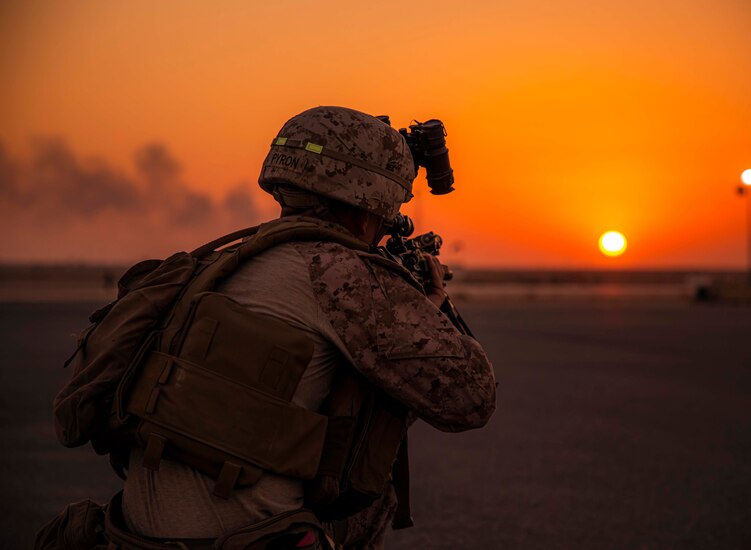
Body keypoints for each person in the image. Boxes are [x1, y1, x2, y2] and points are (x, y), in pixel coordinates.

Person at [45, 106, 497, 550]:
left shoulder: (220, 261)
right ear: (368, 204)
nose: (385, 227)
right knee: (375, 498)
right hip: (243, 543)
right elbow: (471, 399)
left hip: (132, 535)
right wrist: (430, 310)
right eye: (389, 213)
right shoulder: (340, 273)